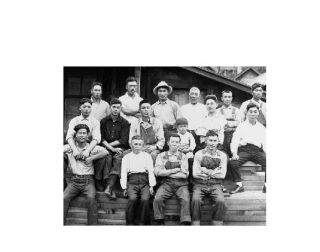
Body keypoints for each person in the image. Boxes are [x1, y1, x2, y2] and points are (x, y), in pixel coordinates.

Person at [64, 124, 108, 225]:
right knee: (63, 198)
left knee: (91, 199)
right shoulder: (70, 147)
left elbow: (105, 152)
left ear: (87, 135)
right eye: (80, 133)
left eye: (84, 133)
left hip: (88, 181)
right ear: (75, 135)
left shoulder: (91, 147)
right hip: (74, 181)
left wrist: (91, 158)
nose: (82, 135)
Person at [153, 134, 191, 225]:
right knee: (158, 198)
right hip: (166, 184)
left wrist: (166, 172)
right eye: (172, 142)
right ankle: (159, 220)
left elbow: (184, 175)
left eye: (177, 142)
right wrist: (174, 170)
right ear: (168, 143)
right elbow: (157, 172)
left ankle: (185, 221)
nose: (174, 144)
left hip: (181, 185)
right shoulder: (161, 156)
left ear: (179, 144)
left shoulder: (183, 156)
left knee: (185, 199)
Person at [191, 131, 227, 226]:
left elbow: (222, 175)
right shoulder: (199, 154)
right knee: (195, 200)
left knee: (220, 201)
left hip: (215, 184)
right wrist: (215, 171)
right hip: (200, 183)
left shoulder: (222, 155)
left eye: (215, 141)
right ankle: (196, 223)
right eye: (210, 140)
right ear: (206, 141)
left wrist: (205, 171)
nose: (212, 143)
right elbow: (195, 174)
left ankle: (217, 223)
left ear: (218, 142)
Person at [229, 103, 266, 194]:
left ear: (258, 113)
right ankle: (239, 185)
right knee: (233, 162)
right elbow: (235, 140)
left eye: (255, 112)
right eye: (251, 112)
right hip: (244, 150)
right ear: (247, 113)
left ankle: (267, 185)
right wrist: (234, 153)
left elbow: (265, 142)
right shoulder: (242, 126)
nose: (253, 114)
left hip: (257, 151)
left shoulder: (261, 127)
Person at [120, 135, 156, 225]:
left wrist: (151, 186)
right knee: (132, 199)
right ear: (131, 145)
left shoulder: (147, 156)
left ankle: (143, 222)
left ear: (142, 146)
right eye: (135, 144)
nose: (137, 146)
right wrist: (124, 187)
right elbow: (123, 173)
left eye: (139, 144)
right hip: (132, 181)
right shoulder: (126, 157)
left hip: (145, 181)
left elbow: (151, 171)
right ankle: (130, 223)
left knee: (145, 199)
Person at [100, 98, 130, 199]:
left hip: (119, 147)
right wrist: (110, 148)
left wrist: (111, 147)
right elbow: (101, 138)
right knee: (107, 156)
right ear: (110, 108)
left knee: (118, 157)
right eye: (114, 107)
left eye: (118, 107)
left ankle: (109, 186)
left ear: (120, 108)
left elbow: (123, 140)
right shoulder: (103, 121)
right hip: (106, 147)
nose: (116, 109)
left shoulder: (125, 122)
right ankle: (109, 187)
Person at [151, 81, 182, 150]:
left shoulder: (174, 105)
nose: (162, 93)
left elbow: (179, 120)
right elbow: (151, 121)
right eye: (160, 91)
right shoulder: (153, 106)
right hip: (158, 133)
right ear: (157, 93)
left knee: (171, 151)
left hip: (171, 132)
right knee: (159, 152)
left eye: (164, 91)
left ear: (167, 92)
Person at [217, 90, 241, 157]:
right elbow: (218, 124)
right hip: (222, 136)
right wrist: (233, 123)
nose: (227, 99)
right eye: (225, 97)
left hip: (233, 135)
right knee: (223, 155)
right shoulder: (217, 111)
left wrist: (226, 123)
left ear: (232, 98)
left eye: (229, 97)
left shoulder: (236, 110)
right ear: (222, 98)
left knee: (233, 154)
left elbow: (239, 123)